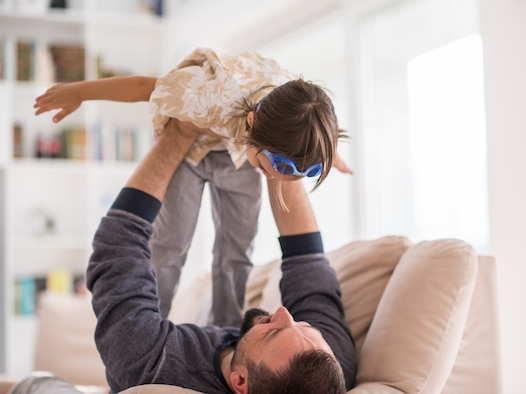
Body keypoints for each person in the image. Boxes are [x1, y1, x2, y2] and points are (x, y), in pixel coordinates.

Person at [33, 47, 352, 327]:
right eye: (277, 167)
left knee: (238, 249)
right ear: (253, 123)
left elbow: (314, 134)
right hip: (192, 149)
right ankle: (149, 322)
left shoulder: (298, 116)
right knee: (171, 244)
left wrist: (325, 157)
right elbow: (143, 86)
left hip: (237, 155)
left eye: (301, 172)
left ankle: (225, 328)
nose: (277, 179)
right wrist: (79, 92)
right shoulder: (209, 96)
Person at [87, 117, 356, 393]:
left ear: (240, 382)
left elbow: (117, 246)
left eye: (274, 331)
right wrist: (286, 152)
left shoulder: (152, 364)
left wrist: (179, 134)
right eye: (303, 325)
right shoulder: (327, 372)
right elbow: (306, 259)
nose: (284, 313)